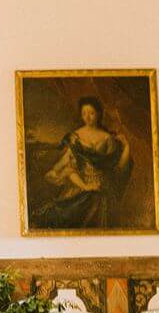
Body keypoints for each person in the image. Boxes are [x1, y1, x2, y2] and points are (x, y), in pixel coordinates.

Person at [34, 94, 132, 229]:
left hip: (101, 188)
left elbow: (117, 166)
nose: (88, 117)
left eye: (91, 113)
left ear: (98, 114)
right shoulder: (76, 137)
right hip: (79, 186)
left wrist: (126, 147)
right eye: (84, 113)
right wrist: (56, 170)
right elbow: (67, 160)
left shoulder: (108, 138)